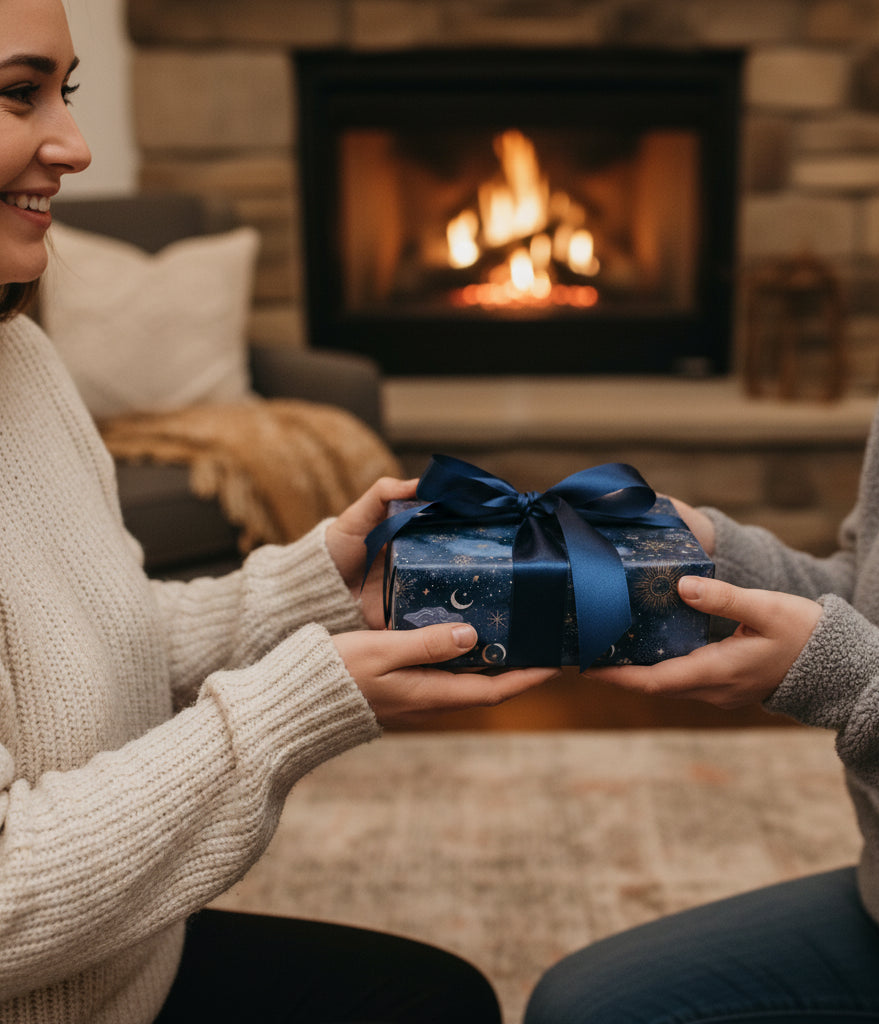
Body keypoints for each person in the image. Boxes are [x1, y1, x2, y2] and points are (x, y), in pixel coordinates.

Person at [0, 2, 558, 1022]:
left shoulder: (21, 358)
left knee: (444, 1000)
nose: (74, 147)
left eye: (66, 94)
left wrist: (320, 587)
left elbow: (89, 637)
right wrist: (298, 702)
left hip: (126, 971)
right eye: (16, 93)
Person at [524, 0, 879, 1021]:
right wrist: (715, 554)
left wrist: (839, 673)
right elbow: (877, 603)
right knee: (582, 1008)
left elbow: (863, 657)